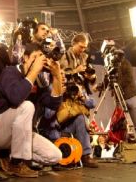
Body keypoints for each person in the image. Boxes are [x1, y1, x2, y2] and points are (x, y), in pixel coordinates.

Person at [0, 42, 63, 178]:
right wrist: (34, 71)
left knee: (55, 156)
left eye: (42, 58)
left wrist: (57, 76)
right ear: (25, 58)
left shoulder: (39, 81)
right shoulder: (10, 71)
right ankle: (16, 163)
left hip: (21, 134)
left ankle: (12, 157)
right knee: (27, 106)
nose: (39, 62)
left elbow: (53, 104)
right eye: (35, 57)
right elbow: (16, 98)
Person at [40, 33, 98, 168]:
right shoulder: (52, 88)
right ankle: (57, 158)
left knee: (81, 118)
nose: (83, 50)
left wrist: (83, 92)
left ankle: (86, 155)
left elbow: (92, 104)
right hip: (54, 125)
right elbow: (48, 115)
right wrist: (59, 93)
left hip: (68, 119)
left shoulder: (76, 88)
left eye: (85, 48)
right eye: (81, 47)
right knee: (53, 129)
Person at [117, 57, 136, 137]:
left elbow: (128, 77)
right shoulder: (110, 66)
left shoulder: (125, 63)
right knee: (121, 123)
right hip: (120, 98)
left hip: (131, 96)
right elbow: (108, 79)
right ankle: (125, 143)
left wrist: (117, 85)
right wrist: (100, 87)